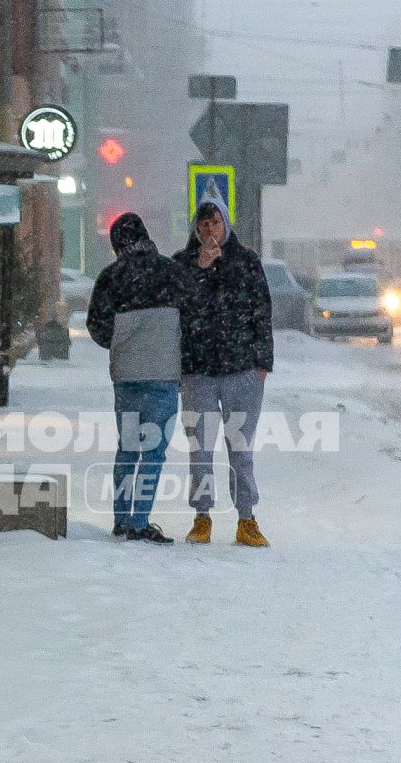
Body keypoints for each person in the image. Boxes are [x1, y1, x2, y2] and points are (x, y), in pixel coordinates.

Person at [87, 212, 193, 543]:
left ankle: (121, 518)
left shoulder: (110, 277)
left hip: (126, 378)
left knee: (129, 448)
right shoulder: (172, 272)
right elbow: (191, 322)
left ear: (118, 243)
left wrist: (120, 341)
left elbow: (97, 326)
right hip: (162, 376)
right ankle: (139, 520)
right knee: (153, 452)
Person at [175, 200, 274, 548]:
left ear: (225, 224)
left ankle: (246, 518)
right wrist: (200, 269)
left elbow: (262, 311)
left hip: (242, 370)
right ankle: (202, 517)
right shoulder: (183, 264)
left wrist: (262, 364)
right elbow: (177, 308)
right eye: (202, 225)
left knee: (240, 448)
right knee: (200, 448)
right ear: (195, 229)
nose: (209, 231)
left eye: (214, 223)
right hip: (198, 371)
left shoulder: (245, 261)